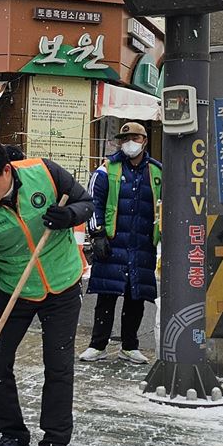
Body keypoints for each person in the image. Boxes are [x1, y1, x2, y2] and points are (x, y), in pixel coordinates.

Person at [0, 138, 93, 446]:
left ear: (6, 171)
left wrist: (70, 217)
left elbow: (86, 202)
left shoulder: (44, 173)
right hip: (14, 290)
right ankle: (14, 439)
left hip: (61, 285)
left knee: (58, 366)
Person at [79, 122, 162, 364]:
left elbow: (164, 206)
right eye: (124, 139)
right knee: (107, 295)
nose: (128, 143)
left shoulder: (157, 172)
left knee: (135, 298)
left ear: (144, 140)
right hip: (112, 243)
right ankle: (98, 345)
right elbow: (93, 202)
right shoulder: (107, 169)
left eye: (134, 138)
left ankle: (130, 345)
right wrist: (97, 234)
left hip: (142, 245)